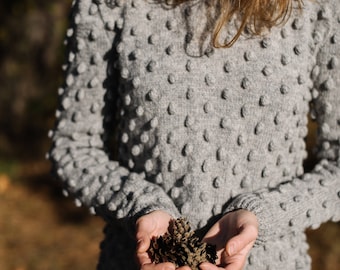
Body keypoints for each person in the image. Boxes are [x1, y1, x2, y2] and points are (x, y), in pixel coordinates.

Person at [48, 0, 340, 269]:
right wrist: (139, 205)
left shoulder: (317, 8)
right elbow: (73, 147)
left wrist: (263, 216)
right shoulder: (109, 4)